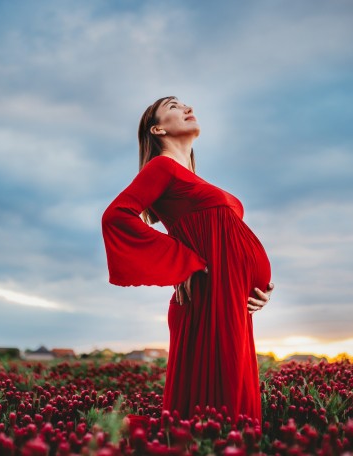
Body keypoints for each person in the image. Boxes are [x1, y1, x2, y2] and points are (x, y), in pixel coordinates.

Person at [102, 96, 274, 424]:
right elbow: (116, 216)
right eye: (173, 106)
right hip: (209, 293)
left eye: (184, 103)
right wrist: (181, 261)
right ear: (158, 129)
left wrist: (258, 285)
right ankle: (118, 433)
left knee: (225, 401)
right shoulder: (162, 166)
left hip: (232, 296)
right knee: (214, 408)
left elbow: (228, 238)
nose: (185, 107)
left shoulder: (197, 180)